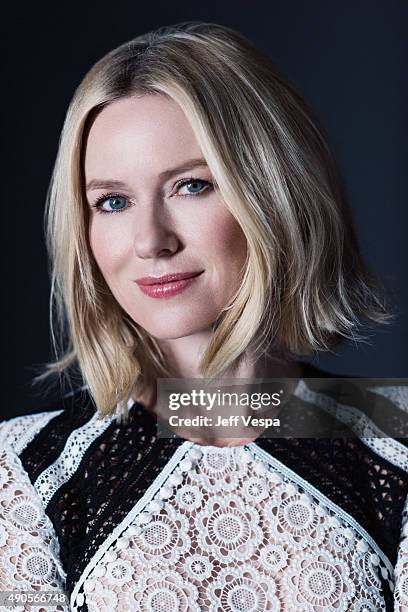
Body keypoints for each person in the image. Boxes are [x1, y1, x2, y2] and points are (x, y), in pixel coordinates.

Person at [1, 21, 407, 611]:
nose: (150, 241)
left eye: (190, 186)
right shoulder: (23, 472)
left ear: (275, 194)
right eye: (112, 202)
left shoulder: (394, 443)